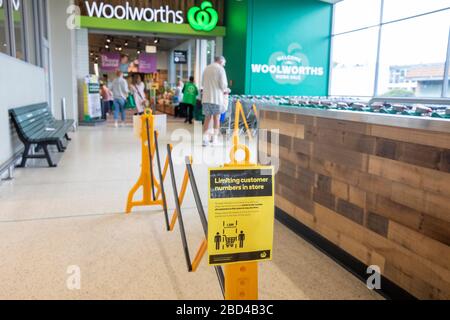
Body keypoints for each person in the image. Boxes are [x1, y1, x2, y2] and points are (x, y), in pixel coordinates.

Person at [201, 56, 229, 146]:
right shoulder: (220, 69)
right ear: (221, 62)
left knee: (207, 118)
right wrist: (226, 90)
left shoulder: (206, 68)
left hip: (206, 98)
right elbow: (223, 84)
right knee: (217, 118)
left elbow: (202, 83)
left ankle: (204, 139)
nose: (224, 65)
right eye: (224, 64)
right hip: (216, 99)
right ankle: (215, 140)